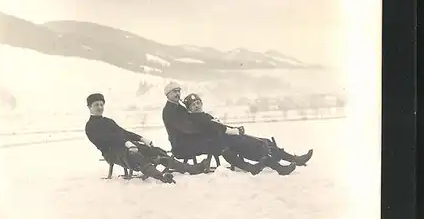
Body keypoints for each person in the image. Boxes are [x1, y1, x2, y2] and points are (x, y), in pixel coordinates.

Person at [84, 93, 211, 184]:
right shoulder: (90, 126)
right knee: (135, 156)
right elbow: (108, 139)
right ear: (89, 107)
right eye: (96, 105)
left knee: (156, 151)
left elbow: (123, 132)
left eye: (101, 104)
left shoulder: (108, 121)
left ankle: (191, 169)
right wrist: (127, 143)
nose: (100, 107)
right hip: (113, 153)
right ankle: (161, 177)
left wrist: (141, 138)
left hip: (128, 145)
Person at [182, 93, 313, 175]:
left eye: (198, 103)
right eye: (193, 104)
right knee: (260, 146)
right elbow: (218, 129)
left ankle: (295, 159)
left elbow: (221, 126)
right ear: (189, 108)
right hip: (225, 142)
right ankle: (280, 168)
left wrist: (235, 129)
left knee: (266, 142)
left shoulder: (204, 115)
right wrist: (235, 131)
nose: (197, 106)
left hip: (229, 138)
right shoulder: (197, 119)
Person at [161, 82, 268, 175]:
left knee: (220, 139)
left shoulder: (179, 107)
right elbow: (189, 129)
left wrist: (210, 126)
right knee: (218, 142)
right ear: (167, 95)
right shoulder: (170, 111)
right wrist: (209, 128)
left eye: (178, 91)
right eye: (174, 92)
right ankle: (248, 167)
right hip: (182, 146)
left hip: (189, 141)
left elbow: (194, 123)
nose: (177, 94)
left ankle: (250, 162)